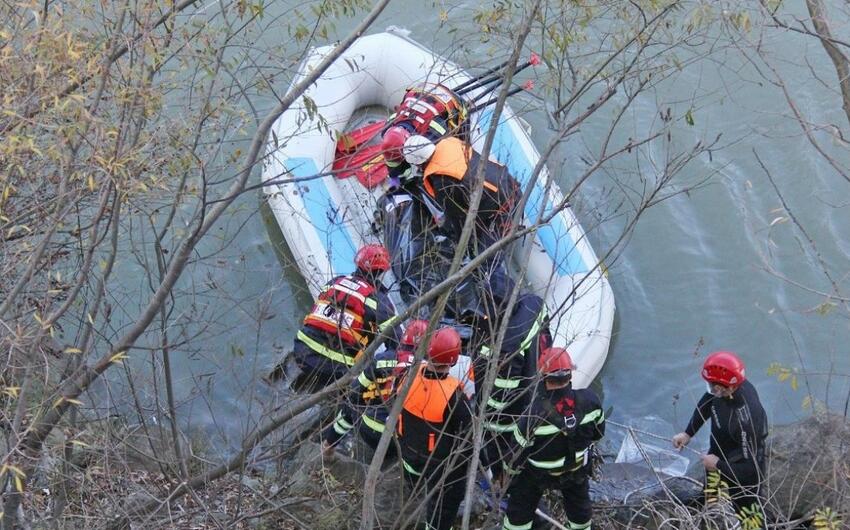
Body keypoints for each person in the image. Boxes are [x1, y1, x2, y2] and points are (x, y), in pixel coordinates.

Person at [502, 347, 605, 530]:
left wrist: (506, 479)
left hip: (537, 474)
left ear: (543, 377)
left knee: (519, 511)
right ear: (569, 376)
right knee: (580, 514)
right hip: (576, 470)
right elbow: (598, 433)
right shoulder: (590, 401)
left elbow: (514, 455)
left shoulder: (532, 415)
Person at [672, 351, 768, 529]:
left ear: (729, 388)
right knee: (710, 489)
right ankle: (707, 507)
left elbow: (750, 469)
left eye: (713, 387)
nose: (711, 390)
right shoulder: (721, 391)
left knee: (749, 517)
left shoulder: (746, 419)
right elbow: (707, 403)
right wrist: (687, 434)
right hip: (718, 451)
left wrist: (718, 465)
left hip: (740, 468)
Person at [291, 243, 400, 392]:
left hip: (300, 350)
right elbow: (397, 345)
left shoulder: (335, 283)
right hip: (335, 369)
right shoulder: (379, 302)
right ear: (380, 272)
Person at [474, 273, 551, 482]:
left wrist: (479, 412)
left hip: (510, 414)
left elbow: (496, 399)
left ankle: (501, 477)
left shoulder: (505, 346)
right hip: (540, 373)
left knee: (502, 449)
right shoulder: (534, 303)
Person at [397, 326, 473, 530]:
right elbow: (468, 440)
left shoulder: (406, 376)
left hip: (408, 454)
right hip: (437, 465)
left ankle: (415, 492)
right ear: (454, 359)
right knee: (449, 501)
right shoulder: (455, 397)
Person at [320, 319, 429, 458]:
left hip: (370, 432)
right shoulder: (428, 372)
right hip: (403, 442)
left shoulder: (383, 359)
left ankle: (328, 447)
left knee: (350, 404)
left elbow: (354, 391)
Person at [402, 134, 521, 256]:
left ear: (417, 163)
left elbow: (459, 219)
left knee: (484, 262)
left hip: (504, 205)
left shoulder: (443, 183)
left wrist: (460, 245)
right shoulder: (449, 142)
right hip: (508, 183)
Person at [381, 83, 469, 180]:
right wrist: (395, 174)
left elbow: (433, 154)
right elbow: (392, 160)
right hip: (427, 90)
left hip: (451, 102)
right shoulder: (387, 128)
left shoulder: (434, 133)